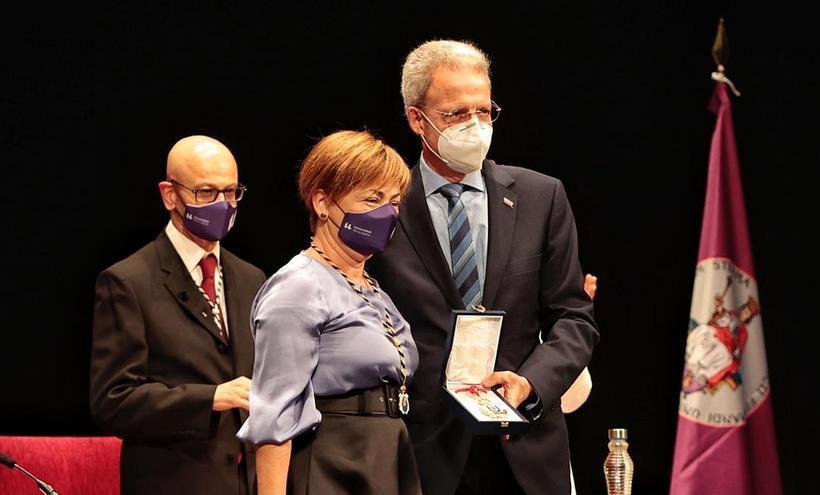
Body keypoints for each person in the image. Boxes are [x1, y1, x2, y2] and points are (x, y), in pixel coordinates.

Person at [369, 40, 600, 495]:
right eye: (457, 114)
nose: (475, 126)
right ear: (418, 119)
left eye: (484, 111)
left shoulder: (541, 196)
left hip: (524, 448)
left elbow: (573, 319)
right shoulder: (384, 207)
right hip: (422, 450)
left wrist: (530, 385)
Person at [237, 130, 421, 495]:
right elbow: (274, 416)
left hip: (384, 457)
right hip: (333, 465)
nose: (386, 213)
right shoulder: (299, 286)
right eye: (372, 198)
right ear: (322, 202)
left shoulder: (368, 285)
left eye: (394, 202)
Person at [89, 135, 266, 495]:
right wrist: (210, 397)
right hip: (174, 481)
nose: (222, 204)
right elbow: (114, 401)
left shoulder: (252, 278)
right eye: (205, 193)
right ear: (169, 194)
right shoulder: (128, 281)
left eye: (231, 192)